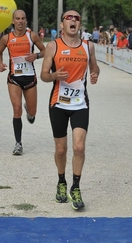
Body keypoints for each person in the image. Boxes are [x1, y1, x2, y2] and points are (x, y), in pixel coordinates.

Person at [40, 10, 100, 211]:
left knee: (79, 147)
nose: (73, 20)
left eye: (77, 19)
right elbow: (43, 75)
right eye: (69, 18)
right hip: (58, 103)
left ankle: (75, 187)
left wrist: (94, 74)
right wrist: (55, 75)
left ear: (79, 25)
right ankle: (61, 182)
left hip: (80, 104)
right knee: (60, 149)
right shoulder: (53, 46)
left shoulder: (88, 46)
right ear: (62, 24)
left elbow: (95, 67)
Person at [0, 9, 46, 155]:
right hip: (14, 78)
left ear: (26, 21)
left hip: (30, 78)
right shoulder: (7, 38)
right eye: (17, 18)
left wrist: (36, 55)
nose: (20, 21)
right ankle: (18, 143)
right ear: (13, 21)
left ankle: (29, 110)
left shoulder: (32, 36)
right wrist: (0, 64)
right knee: (17, 109)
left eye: (23, 18)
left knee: (32, 112)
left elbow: (45, 51)